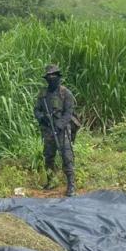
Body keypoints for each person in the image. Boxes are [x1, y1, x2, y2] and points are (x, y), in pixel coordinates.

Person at [33, 64, 76, 197]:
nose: (51, 78)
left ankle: (71, 185)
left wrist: (60, 124)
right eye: (49, 76)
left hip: (62, 130)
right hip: (48, 130)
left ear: (58, 77)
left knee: (67, 156)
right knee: (49, 156)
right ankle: (51, 181)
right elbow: (36, 110)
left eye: (54, 76)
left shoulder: (65, 93)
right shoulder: (43, 94)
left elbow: (69, 113)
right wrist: (43, 118)